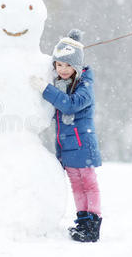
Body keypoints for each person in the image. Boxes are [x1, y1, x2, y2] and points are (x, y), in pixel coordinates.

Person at [29, 29, 103, 242]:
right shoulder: (61, 86)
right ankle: (82, 221)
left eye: (68, 65)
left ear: (77, 66)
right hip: (67, 147)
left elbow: (70, 105)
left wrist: (45, 89)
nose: (62, 69)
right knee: (76, 185)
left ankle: (93, 222)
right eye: (59, 65)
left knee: (89, 183)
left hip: (83, 143)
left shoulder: (84, 86)